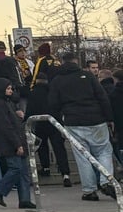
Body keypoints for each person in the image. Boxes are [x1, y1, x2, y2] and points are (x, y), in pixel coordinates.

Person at [49, 51, 116, 201]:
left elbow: (53, 104)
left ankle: (89, 190)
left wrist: (59, 123)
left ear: (62, 62)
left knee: (82, 156)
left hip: (73, 122)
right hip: (96, 119)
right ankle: (106, 181)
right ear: (76, 61)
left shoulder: (57, 80)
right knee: (103, 151)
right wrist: (109, 118)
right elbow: (102, 97)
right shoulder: (89, 77)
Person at [0, 78, 35, 209]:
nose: (10, 91)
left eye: (10, 89)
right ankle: (0, 190)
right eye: (8, 89)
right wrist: (17, 144)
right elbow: (5, 126)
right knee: (16, 168)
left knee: (23, 171)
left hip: (16, 139)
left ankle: (25, 199)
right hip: (9, 142)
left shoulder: (6, 103)